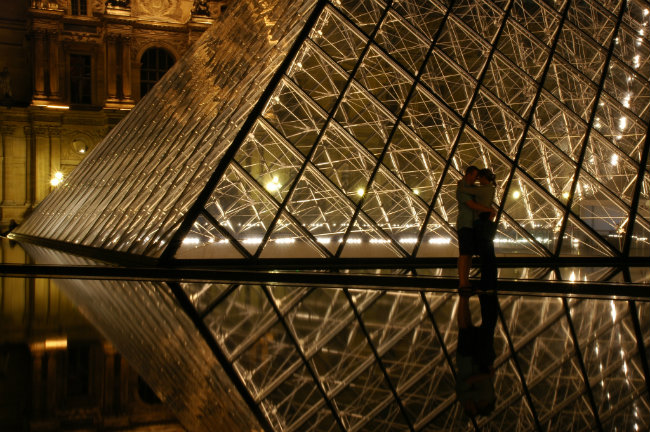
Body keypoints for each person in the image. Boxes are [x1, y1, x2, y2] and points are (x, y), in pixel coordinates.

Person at [455, 290, 498, 417]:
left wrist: (488, 375)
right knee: (465, 327)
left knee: (464, 327)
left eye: (474, 407)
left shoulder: (463, 396)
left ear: (468, 408)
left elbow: (470, 380)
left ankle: (464, 297)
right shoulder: (470, 398)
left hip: (465, 358)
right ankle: (464, 298)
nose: (475, 403)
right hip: (469, 359)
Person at [456, 166, 495, 292]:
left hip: (475, 225)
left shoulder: (474, 189)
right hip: (465, 224)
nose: (477, 179)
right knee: (464, 254)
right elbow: (471, 204)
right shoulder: (463, 189)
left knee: (469, 255)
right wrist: (489, 210)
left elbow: (480, 195)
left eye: (478, 176)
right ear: (468, 174)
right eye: (475, 176)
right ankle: (463, 282)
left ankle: (467, 281)